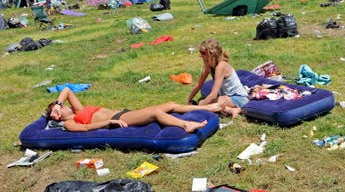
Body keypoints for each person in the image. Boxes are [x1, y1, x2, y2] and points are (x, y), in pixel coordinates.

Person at [45, 87, 216, 133]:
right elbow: (86, 128)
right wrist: (109, 122)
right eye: (62, 110)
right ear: (59, 118)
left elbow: (66, 90)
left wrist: (57, 105)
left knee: (170, 104)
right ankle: (186, 125)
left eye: (63, 106)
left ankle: (208, 107)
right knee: (156, 113)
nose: (65, 107)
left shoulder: (78, 111)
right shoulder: (70, 123)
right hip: (119, 120)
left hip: (124, 114)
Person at [187, 38, 248, 118]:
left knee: (206, 102)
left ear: (213, 57)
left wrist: (198, 107)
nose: (204, 61)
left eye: (205, 59)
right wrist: (188, 100)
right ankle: (230, 110)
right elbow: (199, 85)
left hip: (239, 98)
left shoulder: (220, 66)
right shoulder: (209, 66)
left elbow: (213, 95)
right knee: (204, 102)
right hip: (227, 97)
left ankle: (232, 109)